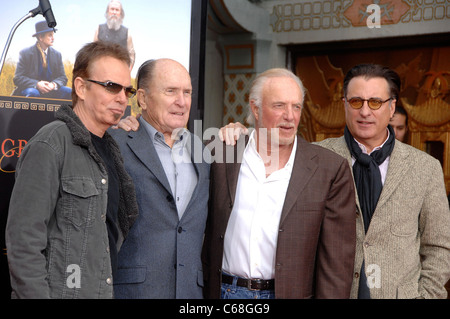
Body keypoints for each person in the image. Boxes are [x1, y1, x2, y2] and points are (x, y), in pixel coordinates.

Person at [221, 64, 450, 299]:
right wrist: (241, 132)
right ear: (344, 105)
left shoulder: (425, 168)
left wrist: (426, 296)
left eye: (375, 102)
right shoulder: (314, 159)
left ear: (392, 107)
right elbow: (270, 142)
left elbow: (439, 247)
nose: (365, 111)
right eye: (356, 102)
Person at [202, 68, 356, 299]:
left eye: (296, 106)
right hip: (225, 293)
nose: (290, 116)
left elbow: (336, 264)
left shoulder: (329, 169)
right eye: (279, 105)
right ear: (255, 109)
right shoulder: (222, 153)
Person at [5, 41, 139, 299]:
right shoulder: (50, 144)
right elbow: (24, 243)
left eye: (127, 90)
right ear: (80, 87)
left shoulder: (112, 150)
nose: (122, 98)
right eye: (111, 86)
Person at [109, 59, 210, 298]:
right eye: (171, 91)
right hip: (134, 292)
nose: (182, 101)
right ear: (142, 99)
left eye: (187, 92)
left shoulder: (204, 151)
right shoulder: (116, 144)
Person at [12, 20, 71, 99]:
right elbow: (18, 78)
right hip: (32, 89)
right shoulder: (25, 53)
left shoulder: (57, 54)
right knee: (33, 93)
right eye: (50, 35)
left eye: (53, 35)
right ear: (40, 37)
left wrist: (53, 84)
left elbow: (63, 77)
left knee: (69, 92)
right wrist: (37, 84)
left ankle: (61, 111)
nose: (53, 38)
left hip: (52, 90)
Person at [94, 0, 136, 70]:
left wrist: (128, 70)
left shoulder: (127, 33)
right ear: (108, 11)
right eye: (112, 9)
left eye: (117, 10)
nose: (114, 12)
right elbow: (93, 51)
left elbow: (131, 54)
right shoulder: (99, 29)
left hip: (119, 72)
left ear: (121, 13)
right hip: (101, 70)